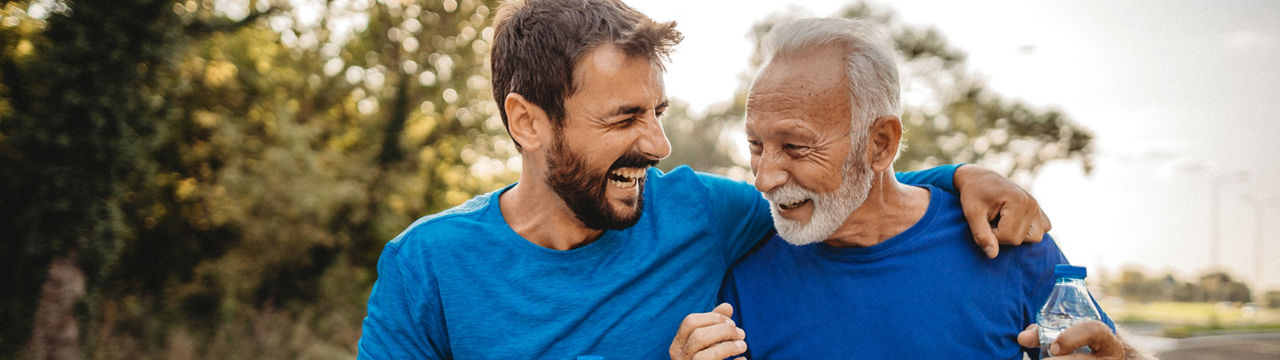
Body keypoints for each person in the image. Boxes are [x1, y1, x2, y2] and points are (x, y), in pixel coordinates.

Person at [357, 1, 1052, 359]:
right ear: (528, 122)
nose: (656, 144)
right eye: (624, 117)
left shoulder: (705, 215)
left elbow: (837, 188)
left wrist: (962, 177)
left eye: (658, 112)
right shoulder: (428, 266)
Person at [669, 18, 1139, 360]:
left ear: (880, 144)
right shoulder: (745, 279)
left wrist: (1116, 357)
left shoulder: (1007, 240)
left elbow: (1105, 349)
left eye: (795, 147)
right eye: (755, 145)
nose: (764, 177)